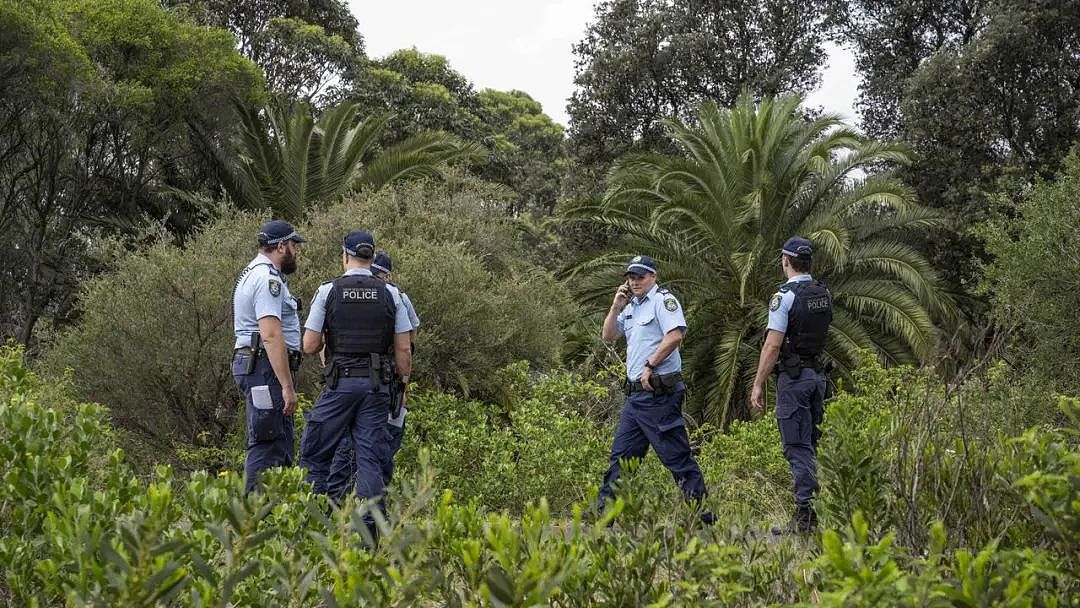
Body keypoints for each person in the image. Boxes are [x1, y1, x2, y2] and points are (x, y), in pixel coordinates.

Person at [299, 230, 413, 513]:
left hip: (340, 385)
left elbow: (310, 344)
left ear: (345, 256)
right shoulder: (391, 293)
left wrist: (330, 336)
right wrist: (400, 385)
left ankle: (313, 523)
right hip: (377, 388)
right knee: (370, 460)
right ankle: (369, 537)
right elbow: (404, 351)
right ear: (372, 258)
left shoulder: (328, 290)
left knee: (316, 452)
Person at [597, 255, 710, 520]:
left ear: (653, 277)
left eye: (640, 276)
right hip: (635, 398)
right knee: (621, 459)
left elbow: (675, 335)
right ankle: (602, 520)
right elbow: (608, 336)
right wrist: (615, 306)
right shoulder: (632, 307)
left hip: (659, 395)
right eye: (631, 277)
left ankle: (704, 518)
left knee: (677, 458)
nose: (634, 281)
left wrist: (650, 365)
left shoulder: (663, 301)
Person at [750, 236, 833, 534]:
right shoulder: (822, 293)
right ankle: (820, 509)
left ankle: (805, 518)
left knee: (797, 446)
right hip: (817, 377)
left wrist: (758, 383)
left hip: (794, 380)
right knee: (811, 444)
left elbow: (772, 346)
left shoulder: (783, 297)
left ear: (785, 261)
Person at [325, 250, 420, 498]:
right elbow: (407, 348)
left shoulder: (342, 291)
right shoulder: (395, 296)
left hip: (361, 382)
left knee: (365, 450)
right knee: (371, 451)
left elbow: (407, 348)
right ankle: (366, 513)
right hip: (380, 386)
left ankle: (343, 507)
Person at [231, 219, 307, 494]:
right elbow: (271, 334)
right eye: (293, 245)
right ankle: (250, 521)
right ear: (281, 246)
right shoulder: (267, 279)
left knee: (280, 444)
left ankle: (276, 519)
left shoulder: (253, 273)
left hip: (260, 366)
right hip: (264, 367)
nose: (295, 251)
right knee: (267, 443)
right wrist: (287, 386)